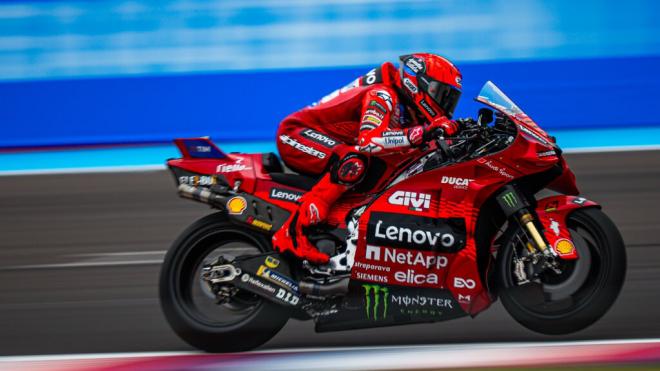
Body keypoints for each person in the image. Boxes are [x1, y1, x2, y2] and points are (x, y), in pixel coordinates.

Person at [272, 53, 464, 264]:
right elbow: (369, 141)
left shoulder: (407, 107)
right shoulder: (383, 94)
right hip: (295, 134)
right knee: (353, 161)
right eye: (442, 94)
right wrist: (423, 133)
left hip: (327, 140)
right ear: (417, 84)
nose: (445, 104)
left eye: (450, 99)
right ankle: (291, 234)